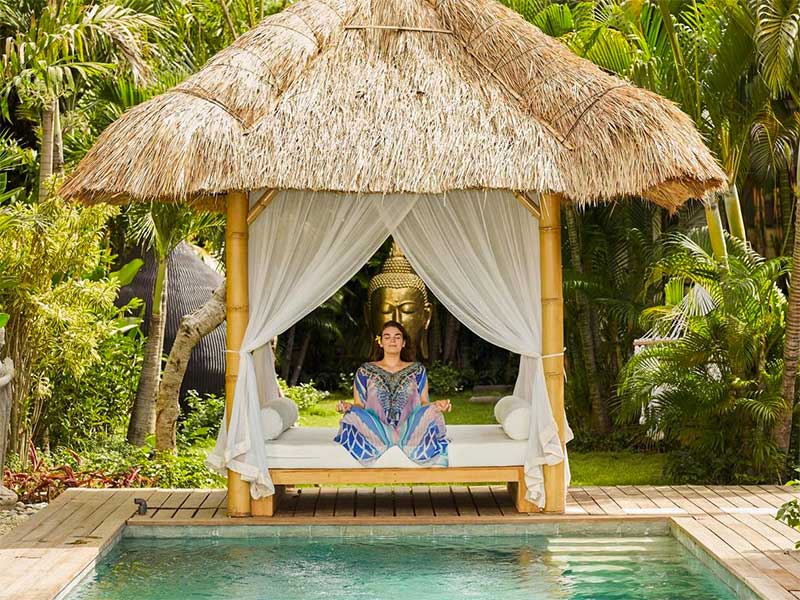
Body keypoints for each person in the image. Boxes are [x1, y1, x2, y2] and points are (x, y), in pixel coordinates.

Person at [334, 320, 451, 466]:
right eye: (387, 337)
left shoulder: (417, 370)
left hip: (410, 429)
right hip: (377, 429)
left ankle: (403, 439)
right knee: (351, 414)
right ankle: (386, 438)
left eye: (397, 337)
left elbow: (424, 403)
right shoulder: (365, 370)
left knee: (433, 411)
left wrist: (438, 405)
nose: (392, 341)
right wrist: (347, 407)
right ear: (380, 342)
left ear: (403, 342)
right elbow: (359, 405)